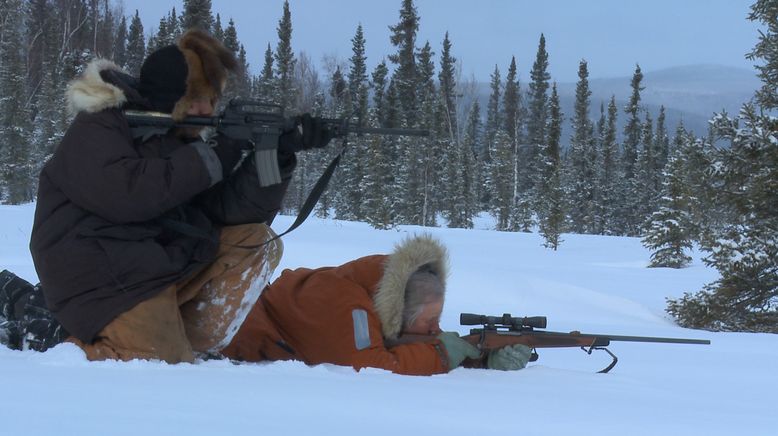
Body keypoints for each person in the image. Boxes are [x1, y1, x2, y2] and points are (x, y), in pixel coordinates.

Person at [28, 29, 333, 364]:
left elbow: (223, 211)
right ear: (169, 95)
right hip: (100, 277)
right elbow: (129, 195)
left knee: (255, 241)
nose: (205, 109)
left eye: (211, 99)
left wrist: (276, 156)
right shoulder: (101, 125)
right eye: (195, 98)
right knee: (159, 365)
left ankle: (187, 347)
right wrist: (220, 151)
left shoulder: (180, 139)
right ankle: (60, 344)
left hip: (152, 265)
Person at [221, 234, 532, 375]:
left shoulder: (374, 298)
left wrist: (480, 358)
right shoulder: (344, 304)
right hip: (218, 341)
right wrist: (441, 355)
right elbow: (368, 366)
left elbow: (408, 343)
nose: (436, 328)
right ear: (400, 311)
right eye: (429, 321)